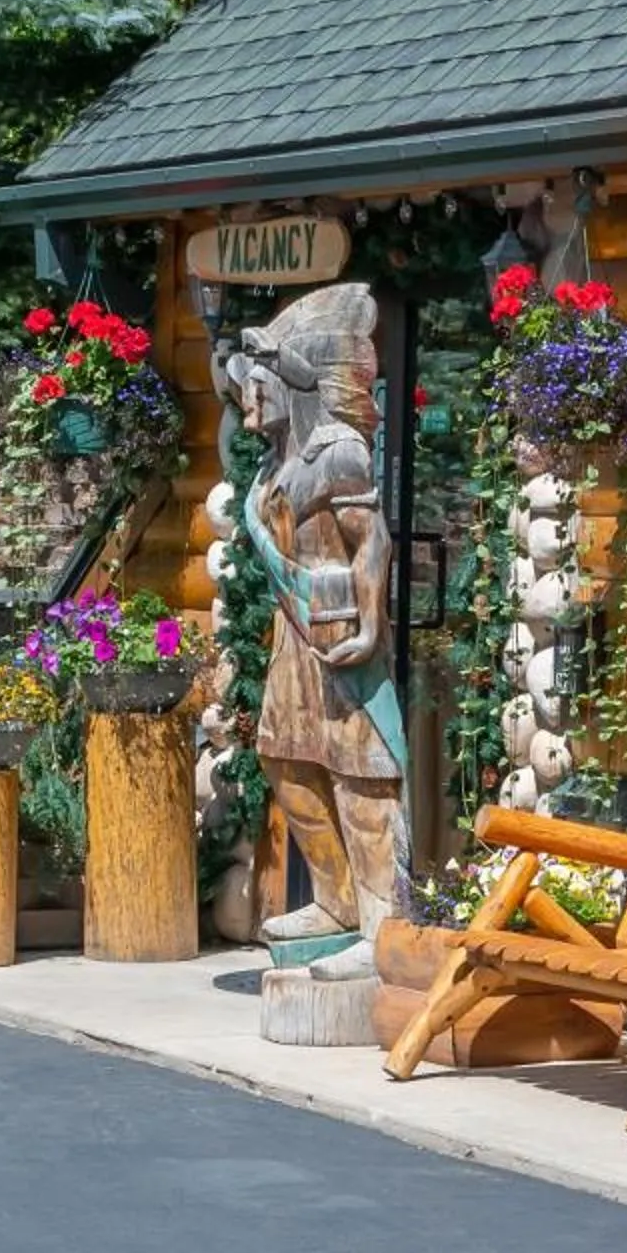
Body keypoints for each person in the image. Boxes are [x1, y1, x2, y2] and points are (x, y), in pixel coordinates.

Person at [227, 283, 404, 985]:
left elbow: (373, 542)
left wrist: (369, 624)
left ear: (290, 382)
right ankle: (331, 903)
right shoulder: (276, 464)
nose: (247, 402)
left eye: (256, 386)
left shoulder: (338, 454)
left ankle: (381, 919)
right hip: (292, 637)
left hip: (340, 634)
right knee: (287, 762)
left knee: (361, 774)